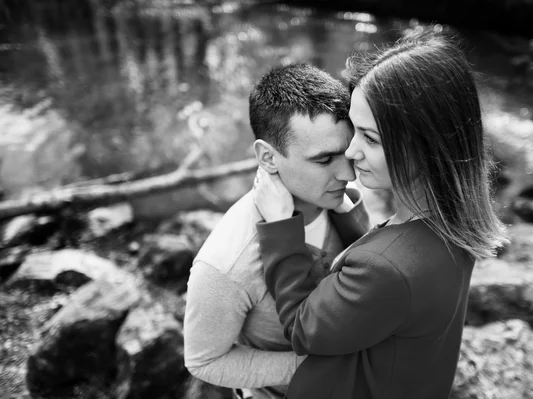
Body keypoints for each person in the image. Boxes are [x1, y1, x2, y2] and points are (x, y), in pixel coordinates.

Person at [253, 28, 510, 399]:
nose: (351, 152)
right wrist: (345, 212)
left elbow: (302, 328)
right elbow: (384, 272)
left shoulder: (385, 271)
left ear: (424, 147)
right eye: (355, 131)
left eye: (369, 138)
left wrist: (280, 229)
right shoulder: (454, 222)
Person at [183, 63, 371, 399]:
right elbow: (204, 360)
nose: (349, 174)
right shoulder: (225, 263)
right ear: (268, 158)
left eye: (347, 152)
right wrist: (316, 365)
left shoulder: (341, 203)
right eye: (325, 160)